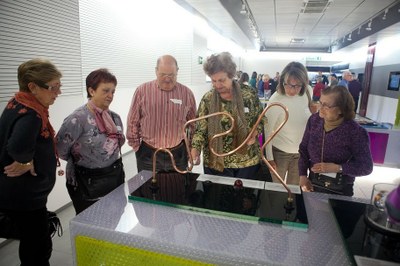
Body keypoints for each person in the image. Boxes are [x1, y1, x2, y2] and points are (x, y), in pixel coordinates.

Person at [0, 58, 62, 265]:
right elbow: (17, 147)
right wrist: (26, 161)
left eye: (59, 86)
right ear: (33, 87)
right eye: (53, 87)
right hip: (25, 197)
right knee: (38, 249)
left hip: (21, 194)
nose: (57, 93)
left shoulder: (16, 103)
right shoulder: (32, 114)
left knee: (32, 243)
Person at [56, 68, 125, 214]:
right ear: (91, 91)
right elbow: (60, 150)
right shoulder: (77, 119)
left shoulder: (115, 117)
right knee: (90, 225)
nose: (110, 95)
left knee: (114, 218)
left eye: (113, 91)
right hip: (85, 183)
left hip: (113, 177)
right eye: (105, 90)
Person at [190, 52, 263, 179]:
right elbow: (200, 129)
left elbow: (261, 119)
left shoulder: (249, 95)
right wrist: (195, 148)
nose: (217, 85)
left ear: (232, 75)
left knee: (244, 198)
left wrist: (255, 132)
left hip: (247, 162)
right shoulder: (208, 99)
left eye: (222, 80)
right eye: (214, 80)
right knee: (217, 198)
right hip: (216, 164)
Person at [299, 86, 373, 196]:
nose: (320, 108)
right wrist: (303, 175)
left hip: (340, 188)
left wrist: (338, 168)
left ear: (341, 109)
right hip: (313, 182)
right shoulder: (314, 121)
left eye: (326, 106)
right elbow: (303, 149)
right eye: (320, 103)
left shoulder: (356, 132)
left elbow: (366, 167)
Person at [126, 55, 196, 173]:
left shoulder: (187, 94)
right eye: (163, 74)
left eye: (171, 75)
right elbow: (132, 121)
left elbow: (193, 124)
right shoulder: (142, 91)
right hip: (148, 154)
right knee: (148, 189)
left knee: (177, 189)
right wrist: (137, 148)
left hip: (178, 154)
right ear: (156, 71)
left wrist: (192, 148)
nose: (167, 79)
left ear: (177, 72)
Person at [265, 61, 313, 185]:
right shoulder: (276, 100)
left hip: (300, 153)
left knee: (295, 191)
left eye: (297, 85)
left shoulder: (307, 91)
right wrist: (269, 158)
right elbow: (267, 131)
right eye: (289, 85)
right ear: (282, 81)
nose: (292, 90)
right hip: (279, 153)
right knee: (276, 191)